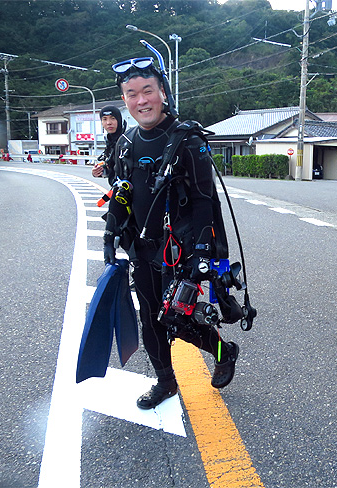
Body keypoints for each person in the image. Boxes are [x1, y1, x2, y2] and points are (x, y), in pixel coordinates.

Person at [104, 56, 239, 409]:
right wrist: (110, 230)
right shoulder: (126, 142)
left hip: (181, 250)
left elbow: (202, 201)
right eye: (131, 94)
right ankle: (165, 382)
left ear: (162, 92)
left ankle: (225, 350)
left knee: (178, 319)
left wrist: (200, 255)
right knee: (150, 317)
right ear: (125, 100)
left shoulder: (187, 140)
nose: (141, 100)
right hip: (143, 247)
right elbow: (122, 191)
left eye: (147, 90)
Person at [92, 105, 125, 185]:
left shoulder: (128, 139)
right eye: (104, 119)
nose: (109, 123)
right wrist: (100, 172)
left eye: (113, 118)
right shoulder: (109, 141)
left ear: (119, 120)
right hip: (117, 188)